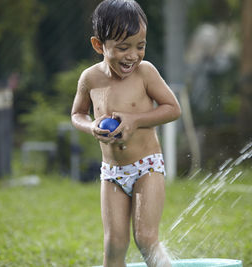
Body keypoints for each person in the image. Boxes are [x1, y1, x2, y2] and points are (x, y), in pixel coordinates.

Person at [71, 0, 181, 266]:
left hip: (147, 167)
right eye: (123, 47)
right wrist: (91, 126)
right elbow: (77, 114)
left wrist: (135, 120)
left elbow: (172, 109)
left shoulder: (145, 73)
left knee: (145, 237)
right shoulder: (90, 79)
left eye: (140, 46)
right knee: (114, 244)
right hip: (112, 173)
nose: (133, 55)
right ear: (99, 45)